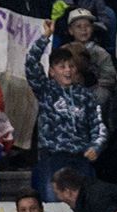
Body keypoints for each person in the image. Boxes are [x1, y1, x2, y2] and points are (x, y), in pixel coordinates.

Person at [28, 22, 107, 201]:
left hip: (81, 159)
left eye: (71, 66)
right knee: (53, 208)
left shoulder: (86, 96)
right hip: (53, 158)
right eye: (62, 67)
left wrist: (96, 146)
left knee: (87, 206)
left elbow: (99, 125)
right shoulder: (45, 90)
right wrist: (44, 38)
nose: (67, 70)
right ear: (52, 71)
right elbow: (31, 63)